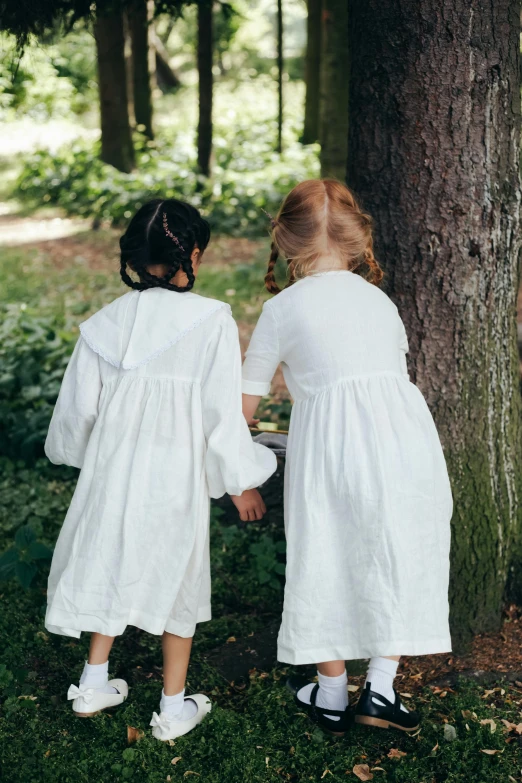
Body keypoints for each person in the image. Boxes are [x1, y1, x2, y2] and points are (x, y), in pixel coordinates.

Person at [44, 198, 276, 739]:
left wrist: (85, 457)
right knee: (179, 576)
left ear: (134, 255)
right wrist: (239, 480)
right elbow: (221, 414)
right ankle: (173, 708)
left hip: (112, 472)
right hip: (176, 475)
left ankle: (93, 681)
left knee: (109, 556)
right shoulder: (211, 319)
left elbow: (77, 412)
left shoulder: (103, 325)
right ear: (193, 254)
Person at [241, 180, 452, 735]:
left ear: (285, 240)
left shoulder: (282, 308)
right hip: (404, 439)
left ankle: (331, 692)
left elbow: (243, 404)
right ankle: (380, 689)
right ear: (358, 240)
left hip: (330, 448)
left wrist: (239, 466)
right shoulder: (378, 300)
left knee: (324, 552)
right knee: (400, 549)